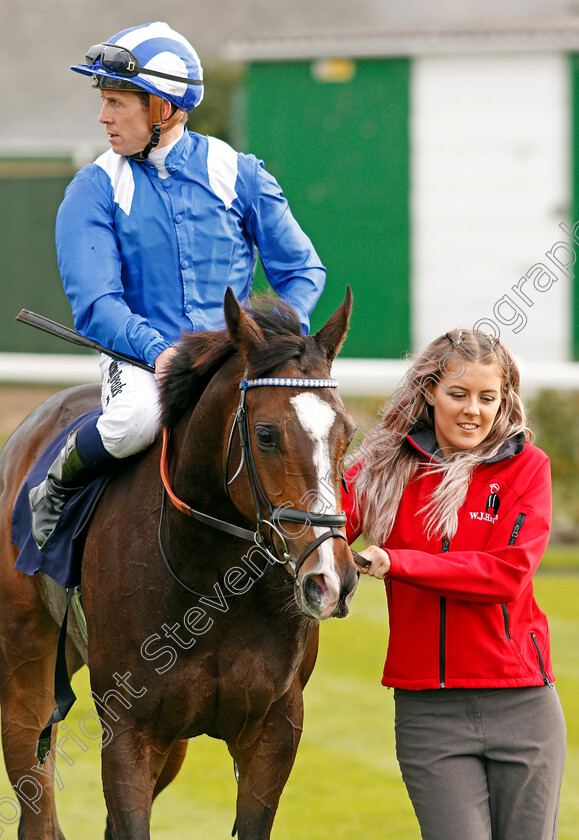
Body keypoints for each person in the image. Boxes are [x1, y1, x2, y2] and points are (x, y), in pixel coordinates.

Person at [29, 21, 326, 550]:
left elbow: (302, 271)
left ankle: (323, 536)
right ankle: (57, 484)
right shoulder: (93, 188)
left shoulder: (240, 173)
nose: (104, 116)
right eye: (104, 100)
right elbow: (97, 304)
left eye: (117, 101)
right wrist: (159, 351)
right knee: (133, 421)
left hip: (235, 358)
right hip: (142, 358)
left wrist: (276, 339)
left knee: (307, 423)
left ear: (162, 108)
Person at [343, 329, 566, 840]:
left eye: (488, 398)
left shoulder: (528, 468)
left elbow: (506, 576)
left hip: (524, 707)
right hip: (429, 716)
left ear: (503, 399)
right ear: (429, 393)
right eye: (458, 394)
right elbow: (323, 524)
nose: (473, 411)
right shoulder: (383, 466)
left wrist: (398, 563)